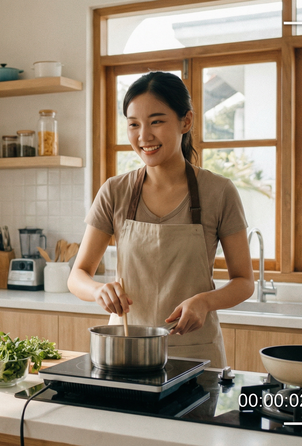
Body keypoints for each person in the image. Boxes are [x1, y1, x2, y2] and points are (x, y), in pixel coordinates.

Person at [68, 71, 254, 368]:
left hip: (194, 355)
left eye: (156, 121)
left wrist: (205, 301)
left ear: (186, 121)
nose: (144, 136)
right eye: (134, 124)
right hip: (125, 350)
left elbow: (244, 281)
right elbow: (77, 275)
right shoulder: (115, 191)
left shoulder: (219, 192)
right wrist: (97, 290)